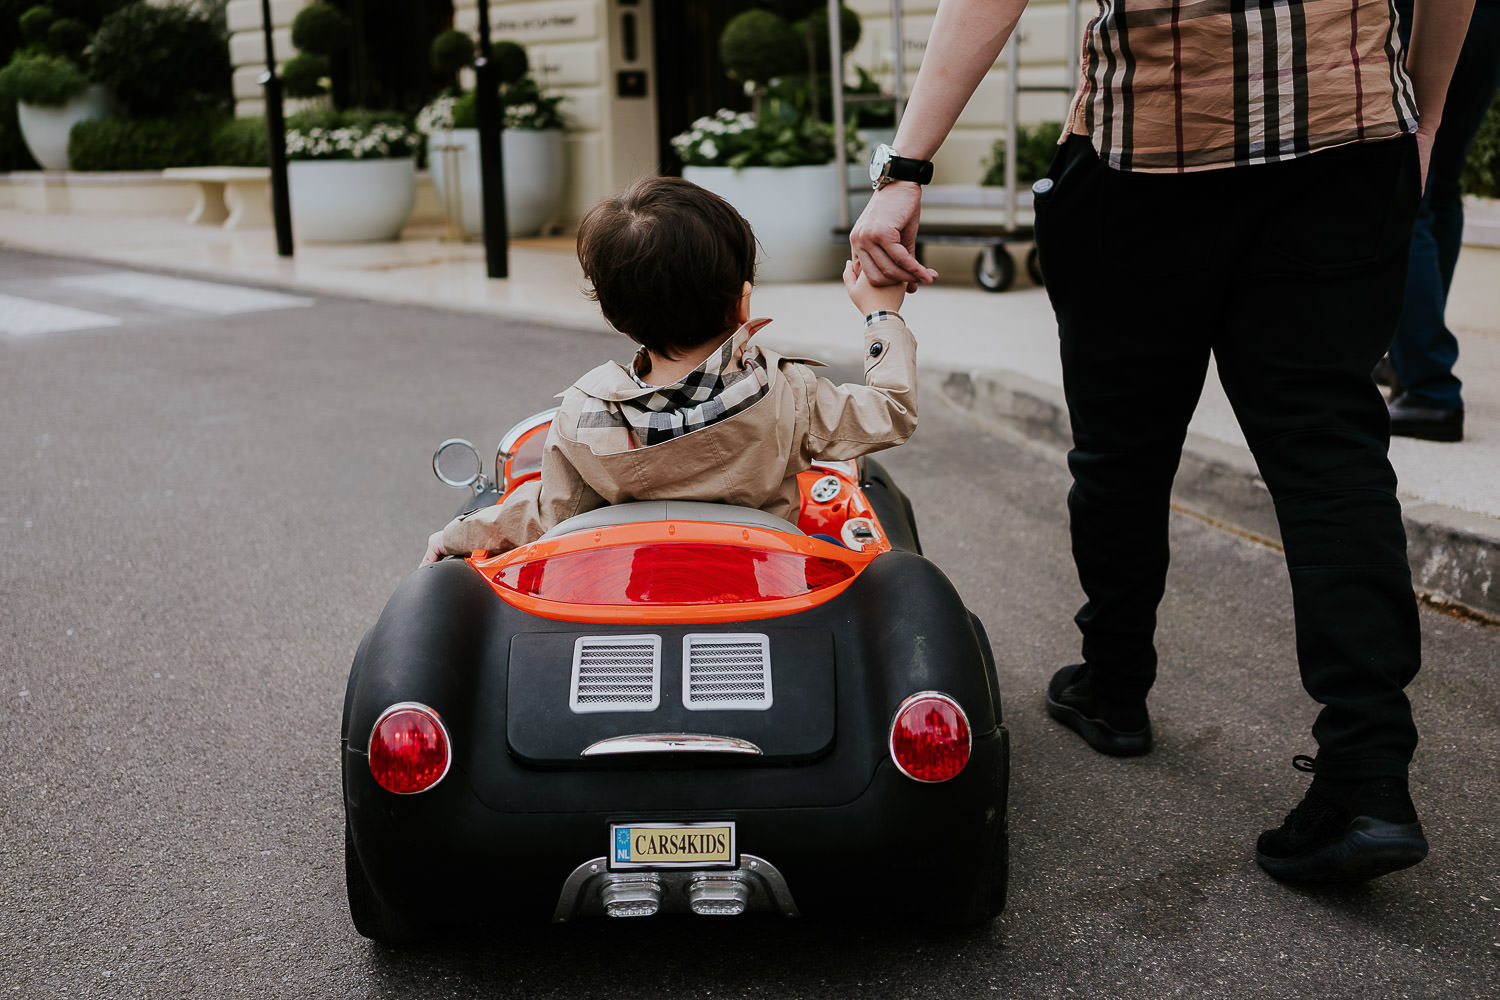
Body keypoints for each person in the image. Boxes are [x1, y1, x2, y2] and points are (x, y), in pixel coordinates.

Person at [851, 0, 1475, 883]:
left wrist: (906, 165)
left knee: (1122, 446)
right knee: (1331, 453)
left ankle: (1115, 688)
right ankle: (1368, 775)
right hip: (1348, 136)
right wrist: (1424, 105)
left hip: (1152, 149)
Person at [421, 175, 913, 566]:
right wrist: (880, 314)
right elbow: (892, 411)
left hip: (631, 591)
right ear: (742, 304)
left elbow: (550, 517)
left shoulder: (584, 416)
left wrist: (455, 534)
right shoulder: (787, 394)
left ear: (616, 315)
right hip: (762, 583)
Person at [1386, 0, 1500, 442]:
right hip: (1485, 19)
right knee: (1443, 185)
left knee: (1411, 191)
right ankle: (1411, 352)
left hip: (1427, 13)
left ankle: (1428, 386)